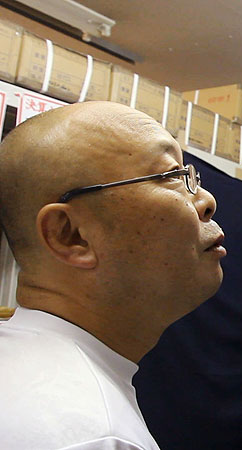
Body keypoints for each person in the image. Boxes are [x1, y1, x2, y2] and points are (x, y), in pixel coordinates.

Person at [0, 101, 226, 449]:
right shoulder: (93, 434)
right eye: (169, 176)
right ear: (70, 235)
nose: (207, 200)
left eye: (190, 177)